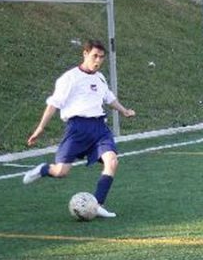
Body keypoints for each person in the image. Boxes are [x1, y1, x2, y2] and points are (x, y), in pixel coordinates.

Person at [22, 41, 136, 219]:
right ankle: (44, 169)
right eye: (94, 56)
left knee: (112, 162)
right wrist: (40, 128)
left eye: (101, 57)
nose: (98, 60)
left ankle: (98, 204)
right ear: (85, 54)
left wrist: (124, 110)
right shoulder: (70, 78)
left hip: (99, 128)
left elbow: (109, 98)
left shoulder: (100, 78)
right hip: (77, 129)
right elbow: (53, 104)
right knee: (61, 172)